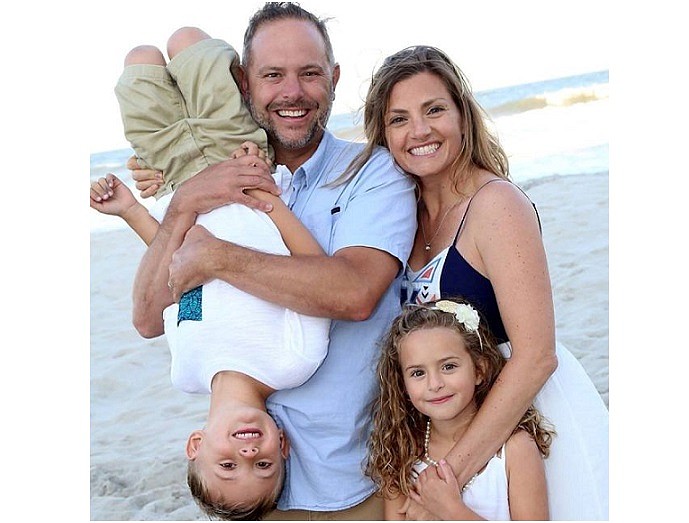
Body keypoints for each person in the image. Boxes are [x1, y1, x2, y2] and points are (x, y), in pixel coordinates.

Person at [127, 3, 417, 519]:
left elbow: (353, 294)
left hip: (346, 487)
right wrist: (182, 202)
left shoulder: (371, 173)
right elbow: (151, 316)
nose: (292, 92)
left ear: (334, 79)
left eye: (309, 73)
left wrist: (217, 258)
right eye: (272, 75)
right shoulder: (206, 185)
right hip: (255, 498)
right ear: (244, 83)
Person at [352, 45, 609, 519]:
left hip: (517, 431)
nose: (420, 131)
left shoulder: (497, 204)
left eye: (434, 110)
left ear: (463, 117)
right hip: (440, 430)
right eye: (399, 119)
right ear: (383, 134)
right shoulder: (395, 214)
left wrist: (445, 477)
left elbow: (536, 356)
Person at [90, 26, 332, 520]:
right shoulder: (294, 362)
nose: (247, 455)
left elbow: (182, 274)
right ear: (282, 447)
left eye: (227, 465)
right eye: (263, 465)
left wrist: (130, 211)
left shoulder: (187, 371)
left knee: (138, 61)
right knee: (186, 42)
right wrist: (267, 198)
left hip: (177, 176)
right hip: (240, 160)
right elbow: (316, 272)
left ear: (195, 444)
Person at [367, 298, 555, 520]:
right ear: (402, 385)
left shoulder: (515, 450)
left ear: (479, 370)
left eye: (449, 366)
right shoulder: (402, 449)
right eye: (418, 373)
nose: (434, 384)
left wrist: (452, 510)